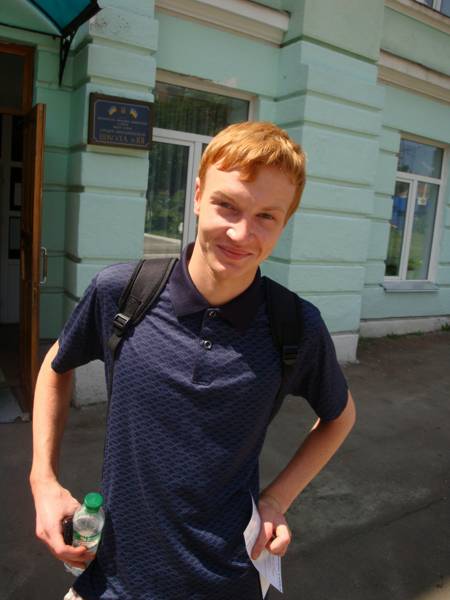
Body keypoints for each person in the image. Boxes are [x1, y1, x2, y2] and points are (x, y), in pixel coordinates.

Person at [30, 121, 356, 600]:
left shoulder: (294, 325)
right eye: (228, 205)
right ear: (198, 195)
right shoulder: (123, 293)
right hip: (112, 577)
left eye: (266, 216)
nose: (241, 233)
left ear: (285, 222)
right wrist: (43, 480)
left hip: (229, 581)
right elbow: (56, 366)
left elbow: (339, 417)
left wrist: (277, 499)